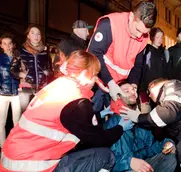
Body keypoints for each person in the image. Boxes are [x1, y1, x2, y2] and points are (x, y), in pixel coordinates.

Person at [0, 50, 133, 172]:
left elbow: (69, 121)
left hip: (12, 159)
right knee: (106, 156)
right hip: (34, 166)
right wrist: (121, 127)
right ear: (84, 74)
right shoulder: (77, 101)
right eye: (94, 75)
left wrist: (102, 113)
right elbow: (98, 139)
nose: (95, 80)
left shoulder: (58, 86)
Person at [88, 1, 157, 113]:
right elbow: (94, 54)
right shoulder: (109, 25)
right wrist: (110, 82)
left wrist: (134, 84)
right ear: (131, 17)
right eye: (138, 30)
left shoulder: (143, 37)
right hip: (98, 83)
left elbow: (137, 64)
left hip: (120, 86)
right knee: (93, 119)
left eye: (144, 32)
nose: (139, 36)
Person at [101, 80, 177, 172]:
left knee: (170, 158)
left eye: (134, 90)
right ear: (118, 96)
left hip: (142, 164)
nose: (133, 92)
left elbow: (150, 148)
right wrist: (129, 162)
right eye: (126, 91)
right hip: (123, 168)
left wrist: (166, 143)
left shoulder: (140, 121)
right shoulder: (112, 124)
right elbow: (103, 161)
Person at [10, 25, 53, 113]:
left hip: (42, 89)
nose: (36, 36)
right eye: (33, 33)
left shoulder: (45, 53)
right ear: (28, 36)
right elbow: (12, 70)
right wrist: (23, 75)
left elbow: (51, 71)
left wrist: (47, 73)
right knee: (25, 116)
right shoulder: (20, 51)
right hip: (26, 89)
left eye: (38, 34)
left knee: (40, 116)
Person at [139, 27, 169, 113]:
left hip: (160, 91)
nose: (160, 39)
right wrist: (142, 91)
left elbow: (166, 72)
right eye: (157, 37)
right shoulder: (146, 51)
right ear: (152, 37)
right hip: (147, 90)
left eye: (161, 37)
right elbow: (142, 71)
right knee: (147, 115)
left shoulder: (164, 52)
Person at [0, 34, 21, 149]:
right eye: (5, 44)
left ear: (13, 45)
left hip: (16, 94)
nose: (7, 46)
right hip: (2, 94)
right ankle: (2, 147)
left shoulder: (18, 58)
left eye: (9, 43)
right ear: (1, 45)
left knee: (17, 122)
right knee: (1, 123)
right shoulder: (0, 59)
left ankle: (15, 145)